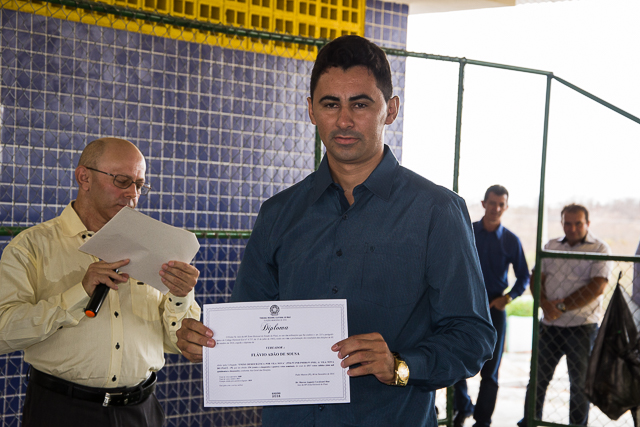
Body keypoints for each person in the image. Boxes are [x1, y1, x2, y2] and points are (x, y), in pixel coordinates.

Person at [176, 35, 496, 426]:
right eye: (330, 104)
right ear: (311, 110)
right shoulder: (277, 214)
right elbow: (250, 326)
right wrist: (211, 345)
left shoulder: (436, 211)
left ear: (391, 110)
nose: (344, 120)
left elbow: (473, 336)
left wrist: (401, 364)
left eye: (360, 104)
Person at [0, 138, 201, 427]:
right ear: (84, 177)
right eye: (122, 181)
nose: (132, 193)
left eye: (139, 185)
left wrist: (181, 296)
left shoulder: (159, 248)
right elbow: (3, 332)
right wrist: (79, 294)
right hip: (61, 411)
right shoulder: (31, 247)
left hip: (140, 412)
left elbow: (176, 341)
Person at [519, 203, 612, 426]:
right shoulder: (551, 246)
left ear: (588, 223)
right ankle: (530, 421)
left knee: (579, 385)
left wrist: (559, 307)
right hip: (549, 326)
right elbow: (536, 278)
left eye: (578, 223)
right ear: (562, 223)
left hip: (582, 327)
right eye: (567, 223)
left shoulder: (599, 248)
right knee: (537, 380)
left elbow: (597, 287)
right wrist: (544, 304)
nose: (572, 228)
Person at [453, 185, 530, 427]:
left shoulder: (511, 240)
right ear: (483, 203)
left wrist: (508, 298)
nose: (496, 208)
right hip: (464, 305)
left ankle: (482, 421)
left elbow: (524, 276)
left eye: (501, 204)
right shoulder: (466, 230)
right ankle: (462, 407)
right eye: (492, 203)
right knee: (455, 359)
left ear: (505, 207)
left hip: (495, 308)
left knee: (491, 369)